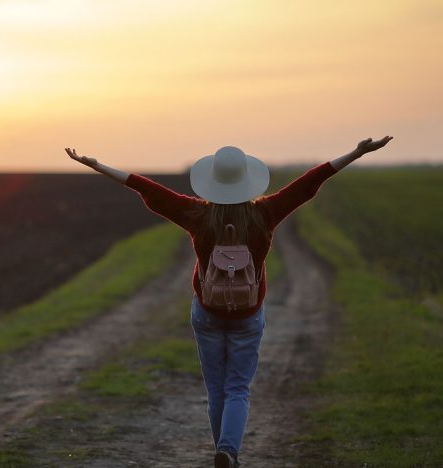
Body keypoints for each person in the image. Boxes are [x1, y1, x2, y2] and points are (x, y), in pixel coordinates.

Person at [64, 136, 393, 468]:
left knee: (216, 389)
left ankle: (223, 451)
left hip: (207, 312)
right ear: (247, 181)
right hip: (248, 314)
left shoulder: (196, 214)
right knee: (238, 388)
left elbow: (146, 188)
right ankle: (228, 451)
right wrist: (357, 152)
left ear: (213, 181)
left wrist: (96, 165)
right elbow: (309, 183)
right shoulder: (266, 213)